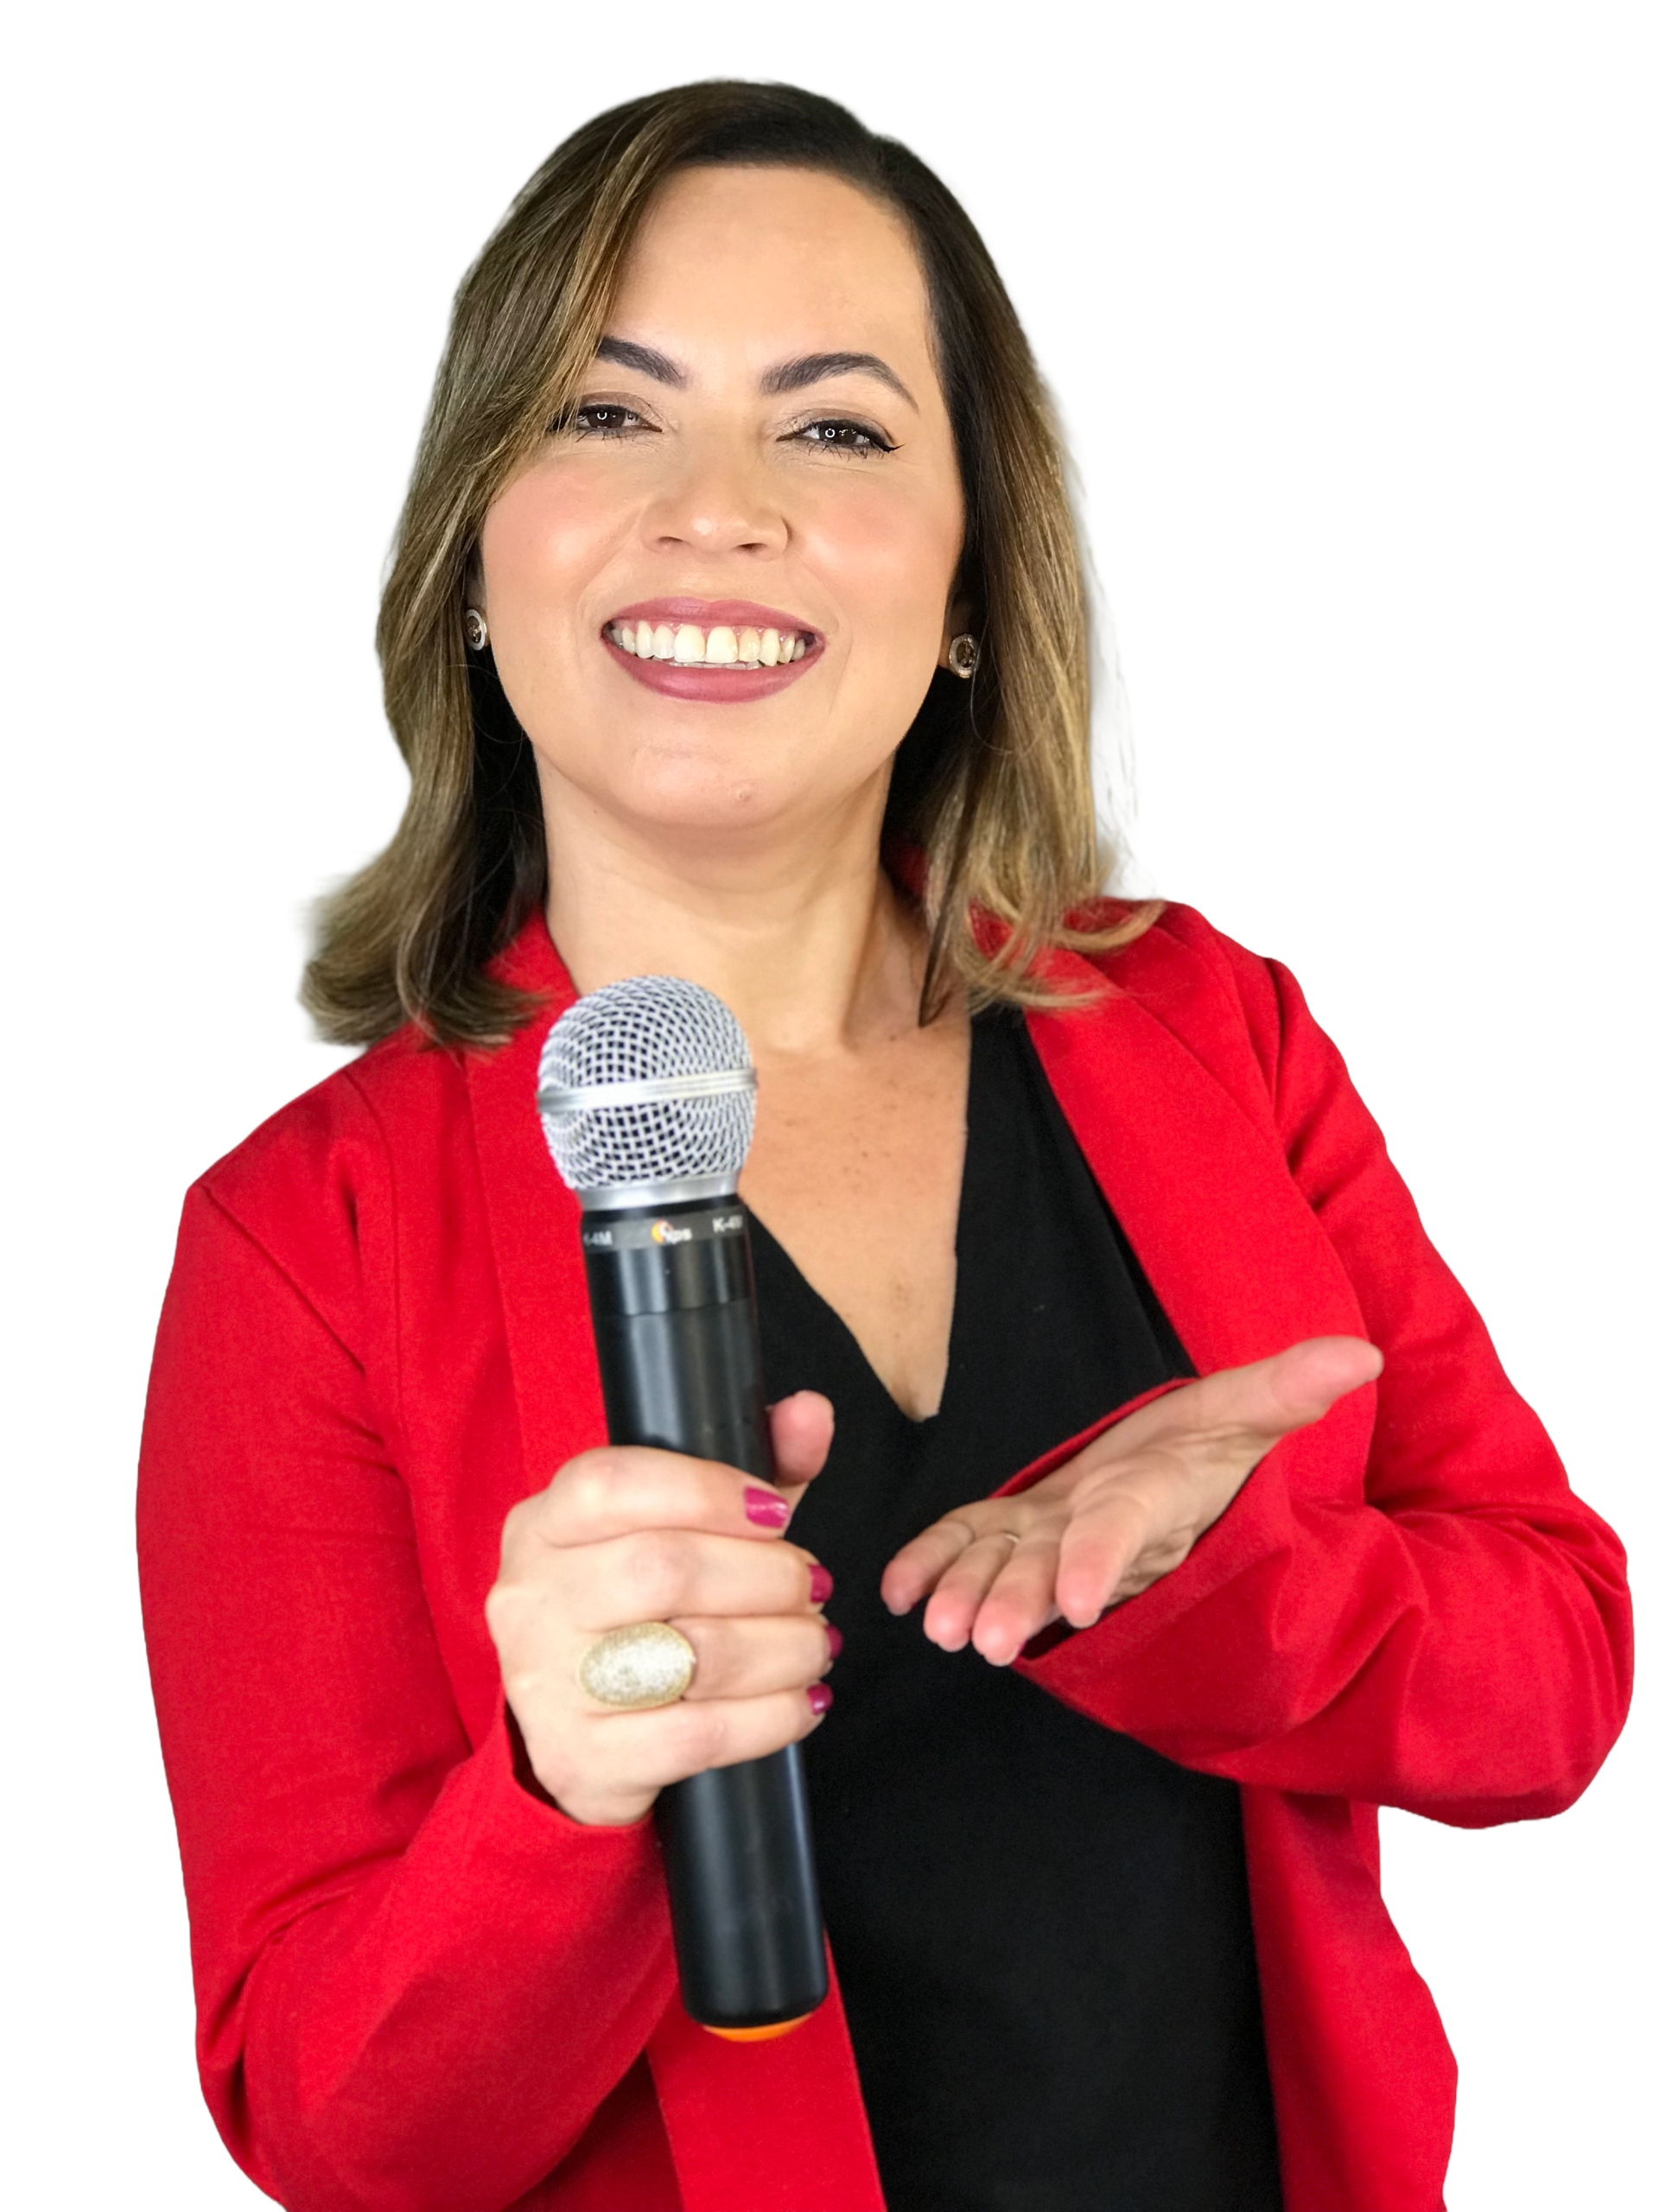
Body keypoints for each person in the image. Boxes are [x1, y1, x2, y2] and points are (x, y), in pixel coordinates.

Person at [135, 74, 1633, 2212]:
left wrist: (1225, 1588)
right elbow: (332, 2129)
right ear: (473, 554)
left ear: (968, 584)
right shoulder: (307, 1234)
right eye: (604, 411)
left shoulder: (1208, 1025)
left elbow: (1557, 1677)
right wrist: (567, 1788)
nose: (716, 510)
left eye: (833, 428)